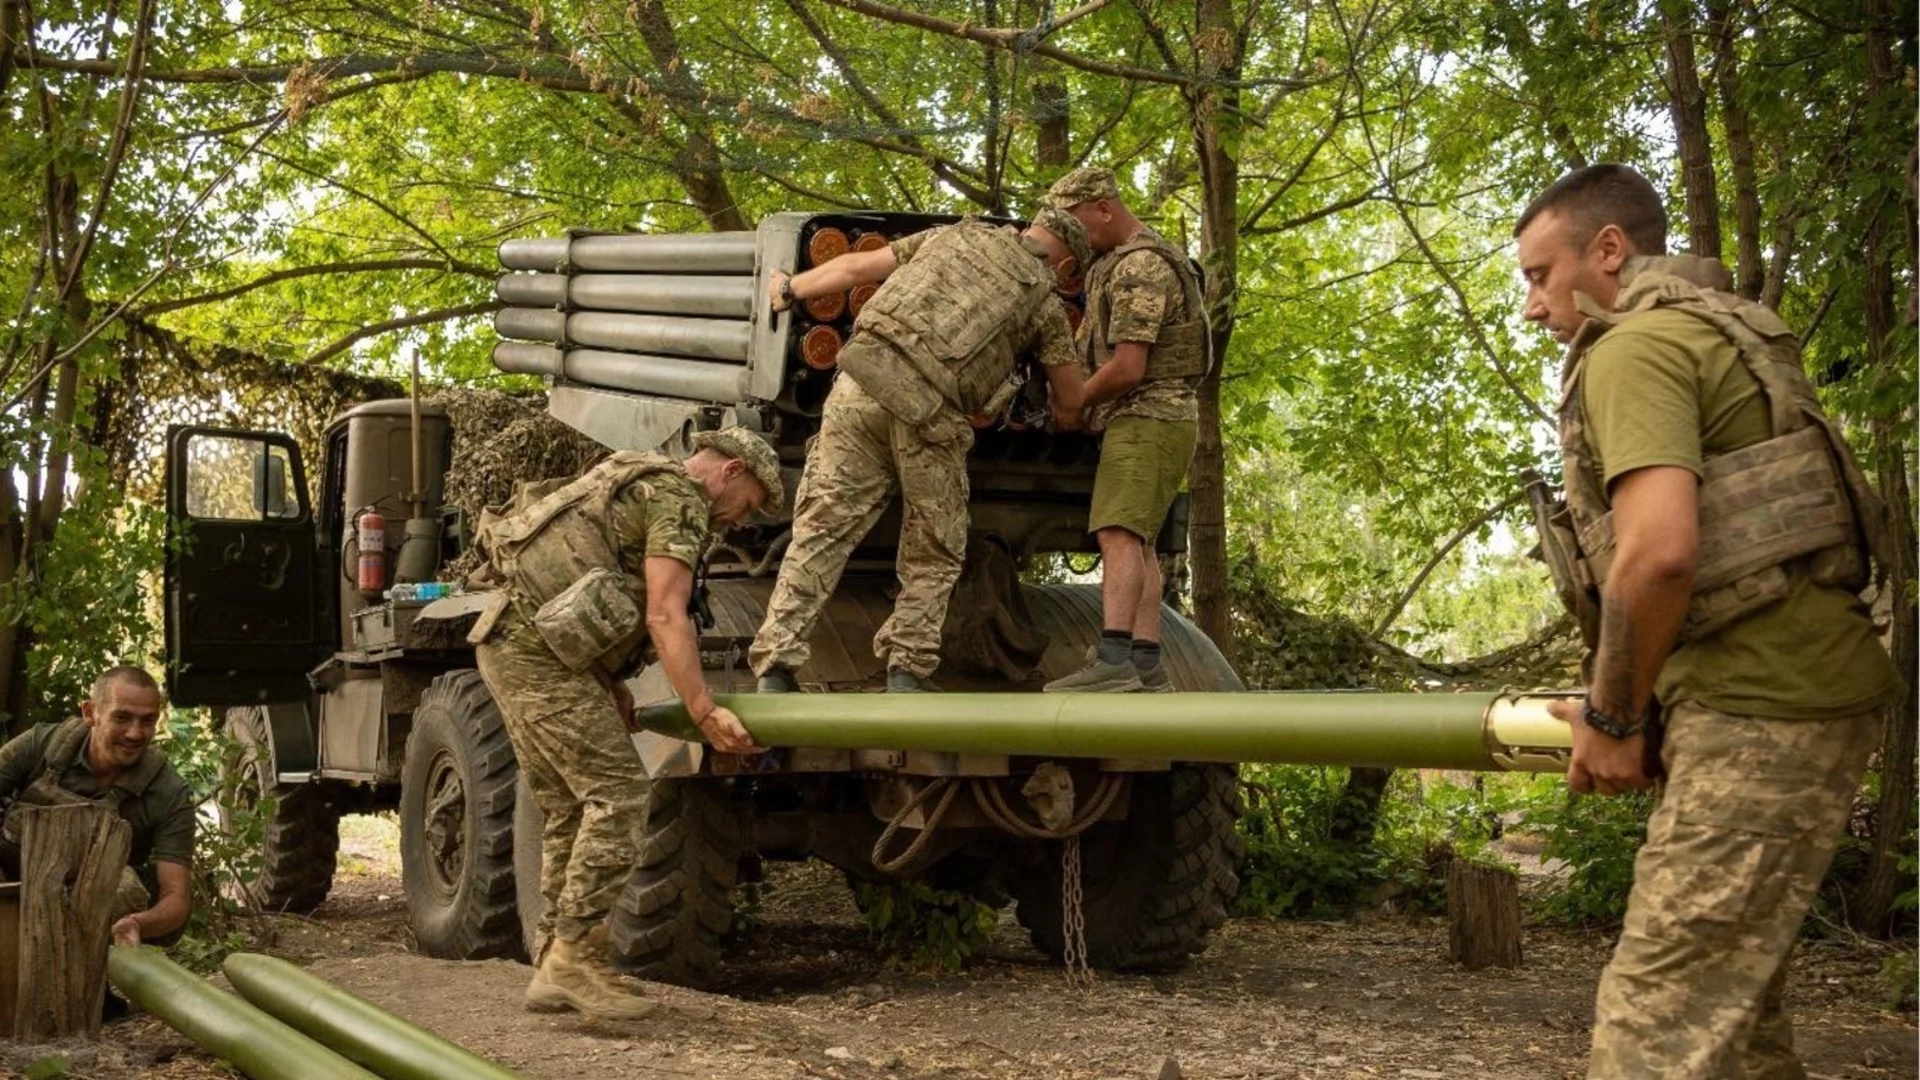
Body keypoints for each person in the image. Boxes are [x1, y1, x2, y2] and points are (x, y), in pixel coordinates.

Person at [1513, 163, 1898, 1078]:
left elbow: (1658, 555)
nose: (1531, 306)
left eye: (1537, 275)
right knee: (1739, 1037)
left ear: (1609, 251)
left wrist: (1611, 721)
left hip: (1764, 705)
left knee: (1653, 1033)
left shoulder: (1634, 349)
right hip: (1782, 690)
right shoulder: (1715, 332)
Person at [469, 428, 777, 1020]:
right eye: (750, 503)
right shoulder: (682, 501)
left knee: (567, 807)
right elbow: (665, 613)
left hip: (518, 642)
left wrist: (610, 680)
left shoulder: (636, 476)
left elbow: (585, 581)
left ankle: (559, 962)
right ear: (732, 471)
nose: (742, 521)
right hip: (538, 656)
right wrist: (703, 709)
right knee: (620, 797)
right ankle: (570, 960)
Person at [749, 209, 1090, 693]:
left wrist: (788, 289)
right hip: (928, 415)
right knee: (934, 546)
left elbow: (853, 269)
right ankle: (905, 669)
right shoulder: (1045, 305)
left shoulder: (953, 236)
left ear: (1027, 230)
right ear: (1065, 265)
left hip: (857, 388)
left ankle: (776, 667)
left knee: (823, 529)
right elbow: (1072, 404)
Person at [1039, 167, 1211, 693]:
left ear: (1104, 209)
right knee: (1135, 541)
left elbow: (1130, 366)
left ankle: (1113, 662)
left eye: (1077, 222)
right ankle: (1145, 663)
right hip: (1156, 420)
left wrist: (1076, 402)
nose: (1074, 236)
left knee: (1117, 534)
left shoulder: (1139, 266)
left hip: (1146, 416)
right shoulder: (1126, 259)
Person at [0, 666, 195, 948]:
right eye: (122, 717)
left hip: (91, 919)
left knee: (127, 889)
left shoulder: (169, 792)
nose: (135, 733)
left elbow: (176, 898)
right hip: (12, 892)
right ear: (90, 713)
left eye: (147, 720)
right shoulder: (41, 745)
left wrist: (138, 924)